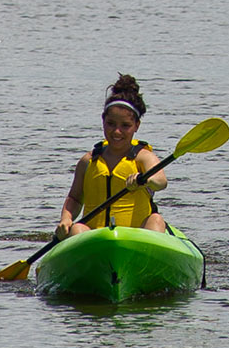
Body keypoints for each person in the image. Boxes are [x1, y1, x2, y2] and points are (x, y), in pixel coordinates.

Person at [56, 74, 170, 238]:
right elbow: (74, 198)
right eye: (111, 124)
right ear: (103, 121)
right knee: (77, 228)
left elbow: (161, 182)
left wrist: (144, 180)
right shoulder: (88, 161)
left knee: (157, 220)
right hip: (98, 239)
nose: (117, 131)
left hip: (138, 237)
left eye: (125, 126)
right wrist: (66, 219)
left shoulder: (143, 158)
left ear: (136, 125)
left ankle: (150, 257)